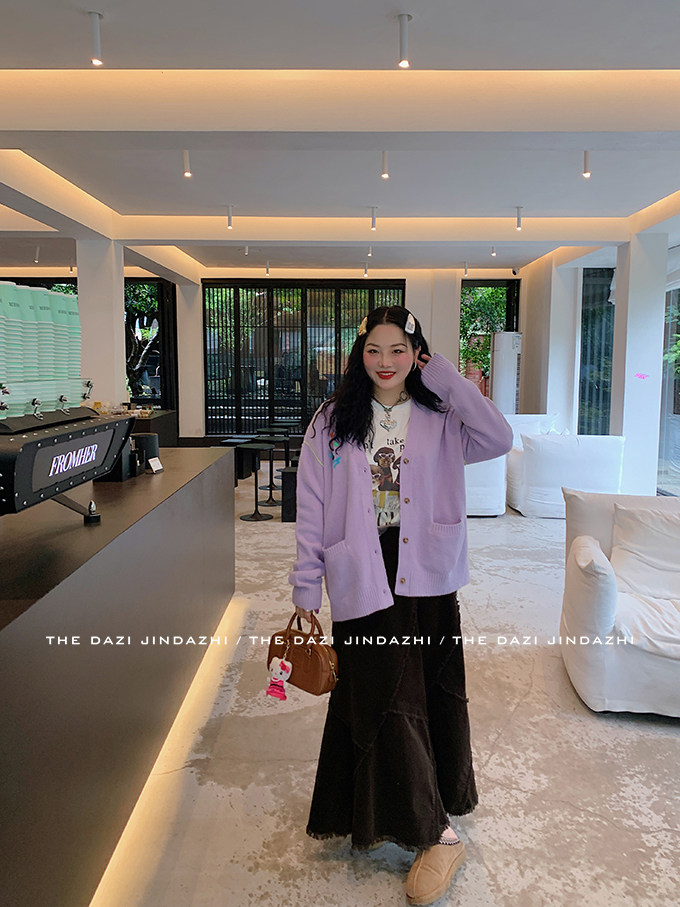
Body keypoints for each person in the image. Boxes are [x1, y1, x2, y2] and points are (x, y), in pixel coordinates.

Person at [288, 306, 512, 906]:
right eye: (373, 350)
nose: (385, 362)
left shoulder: (442, 413)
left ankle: (437, 827)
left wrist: (445, 377)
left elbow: (499, 437)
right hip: (361, 566)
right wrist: (306, 583)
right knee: (378, 691)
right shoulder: (332, 419)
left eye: (398, 350)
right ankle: (403, 816)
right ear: (359, 355)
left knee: (427, 690)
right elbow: (312, 504)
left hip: (426, 568)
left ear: (417, 354)